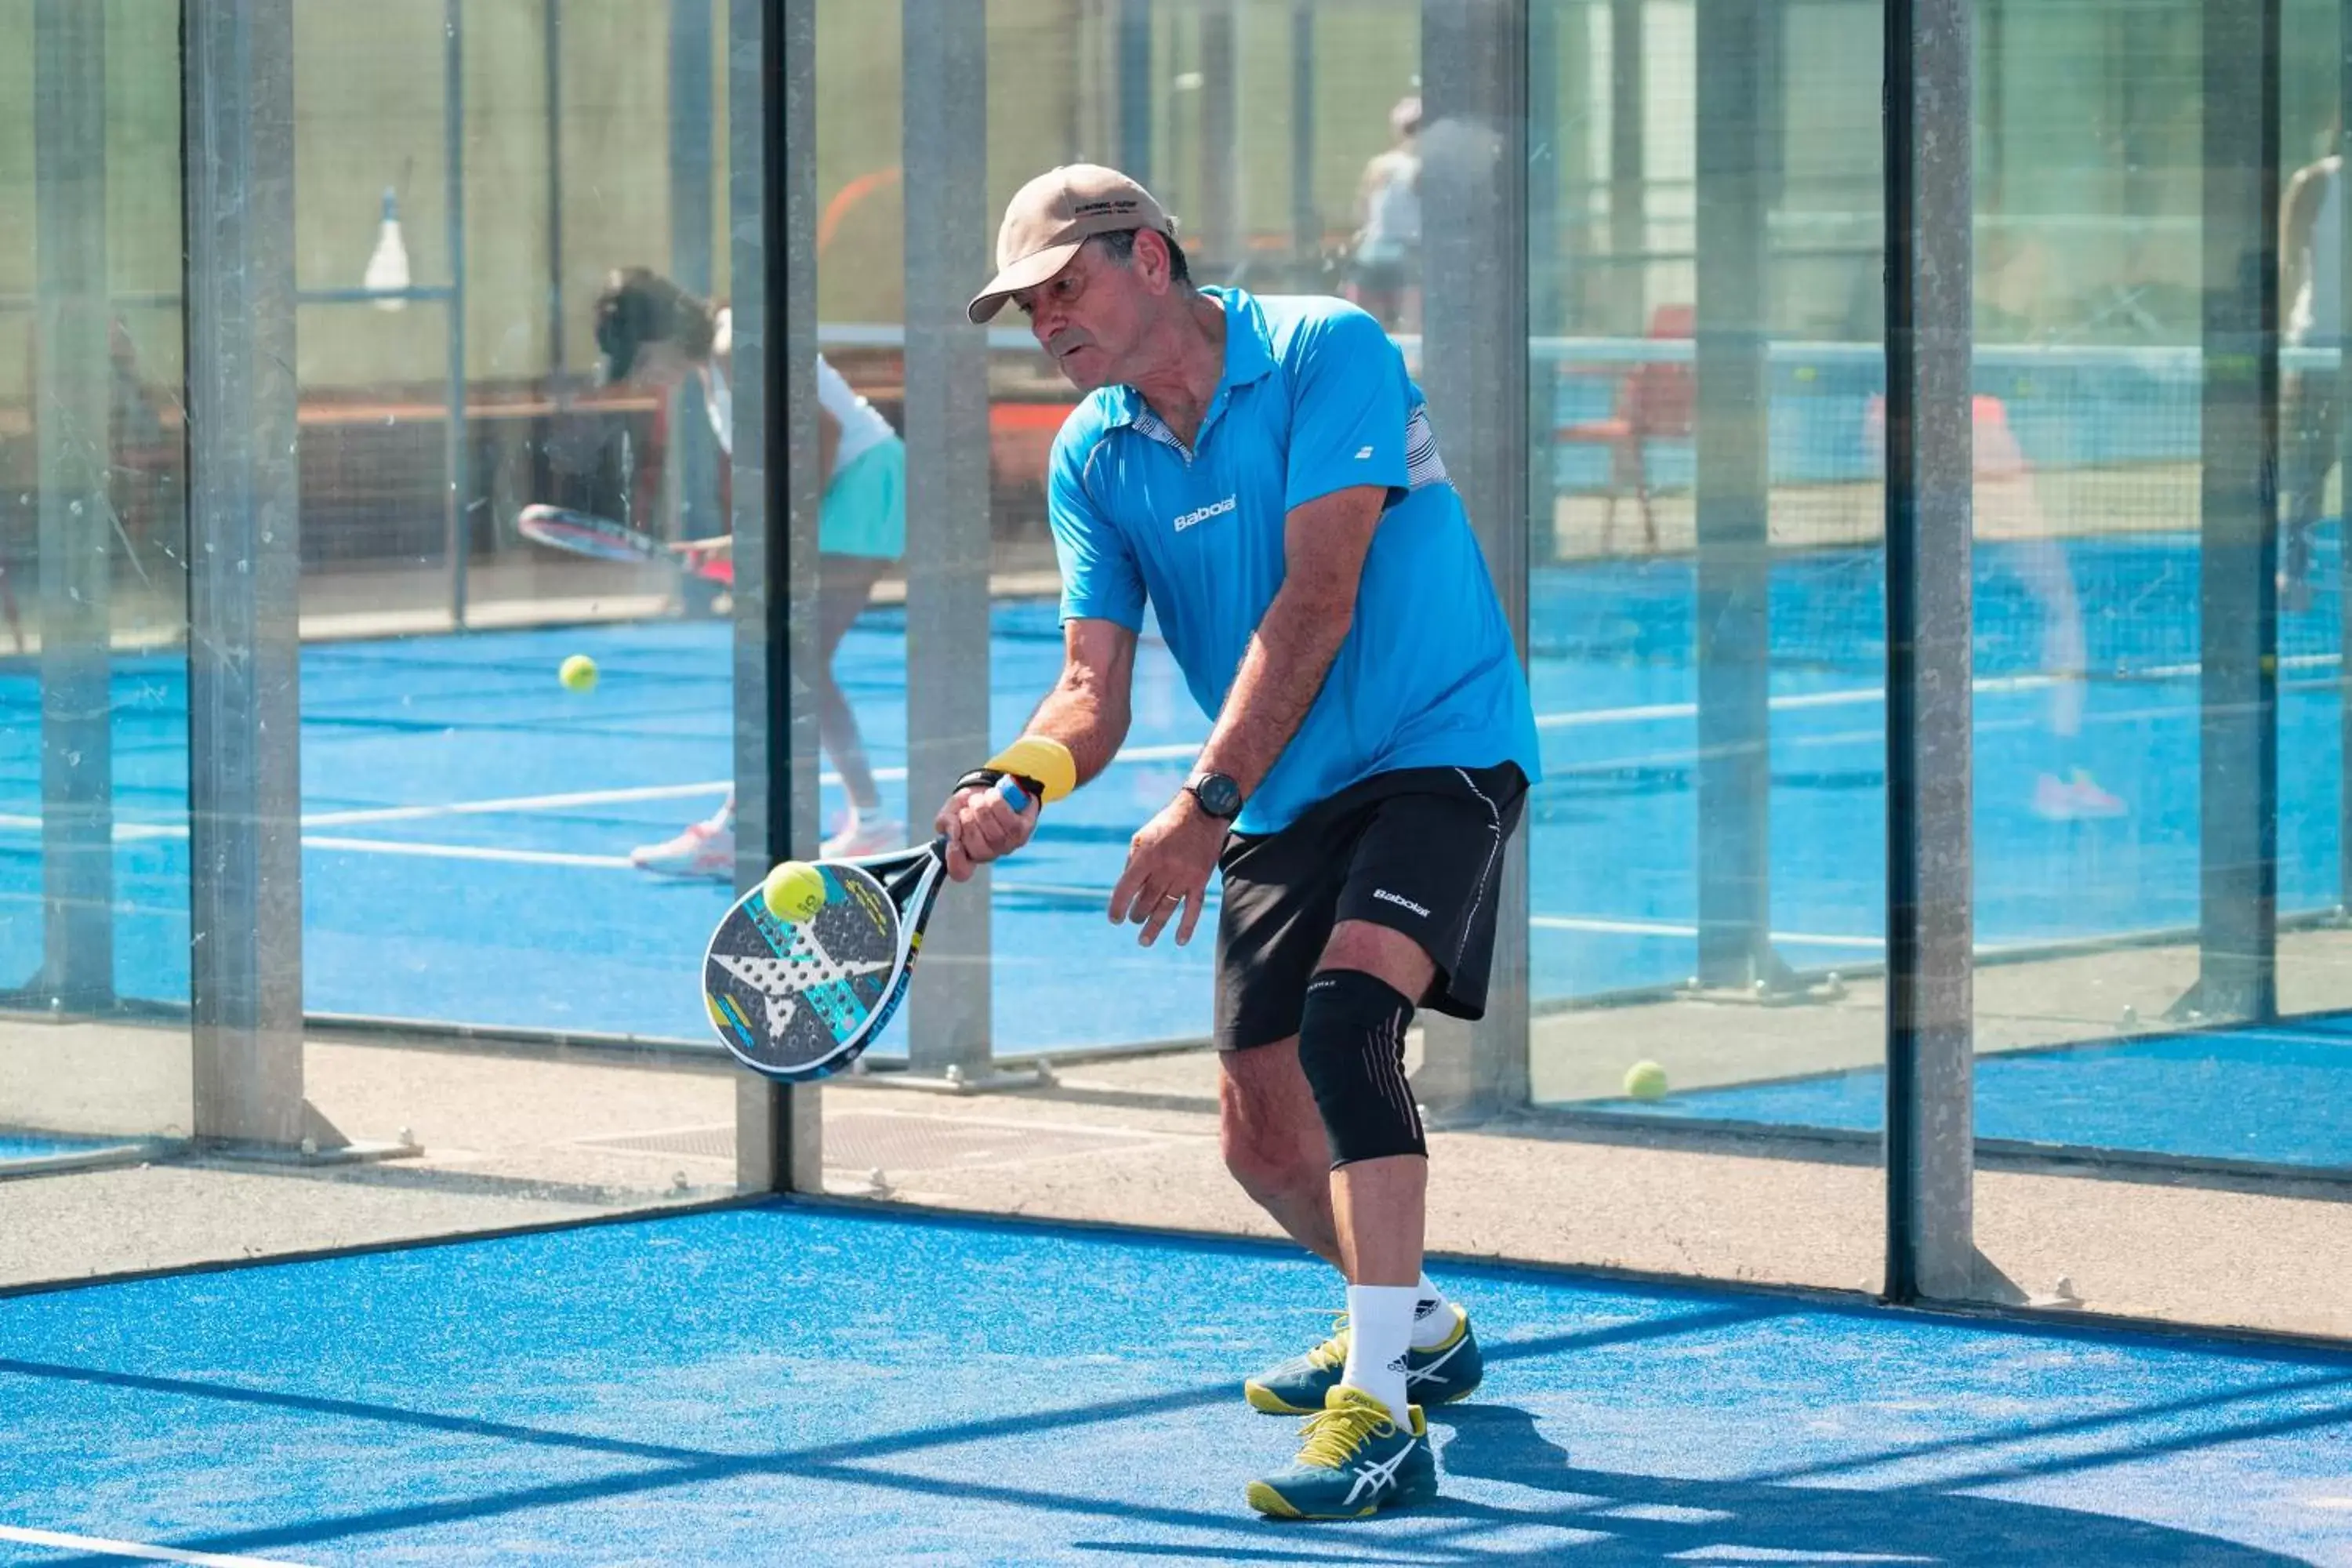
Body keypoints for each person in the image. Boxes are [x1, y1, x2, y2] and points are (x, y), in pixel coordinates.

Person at [949, 165, 1540, 1519]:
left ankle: (1382, 1415)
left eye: (1063, 286)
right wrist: (1021, 781)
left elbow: (1320, 597)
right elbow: (1091, 693)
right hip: (1277, 790)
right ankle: (1418, 1326)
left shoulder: (1328, 348)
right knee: (1261, 1140)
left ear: (1148, 257)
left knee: (1346, 1028)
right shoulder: (1091, 453)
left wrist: (1202, 805)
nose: (1046, 319)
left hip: (1435, 744)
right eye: (1025, 305)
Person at [590, 268, 906, 873]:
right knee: (798, 664)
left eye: (638, 358)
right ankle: (868, 820)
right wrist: (743, 540)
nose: (640, 375)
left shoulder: (735, 348)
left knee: (791, 663)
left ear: (659, 332)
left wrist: (773, 534)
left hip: (862, 485)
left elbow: (823, 431)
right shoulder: (717, 364)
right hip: (854, 487)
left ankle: (751, 825)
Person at [2281, 124, 2343, 613]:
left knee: (2309, 469)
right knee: (2309, 469)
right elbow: (2286, 267)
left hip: (2316, 343)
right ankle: (2296, 572)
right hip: (2319, 346)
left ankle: (2298, 573)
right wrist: (2286, 353)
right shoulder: (2315, 184)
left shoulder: (2314, 184)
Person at [1346, 96, 1422, 331]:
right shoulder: (1421, 166)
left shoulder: (1380, 165)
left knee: (1363, 319)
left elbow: (1362, 208)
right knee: (1412, 321)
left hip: (1373, 250)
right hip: (1409, 251)